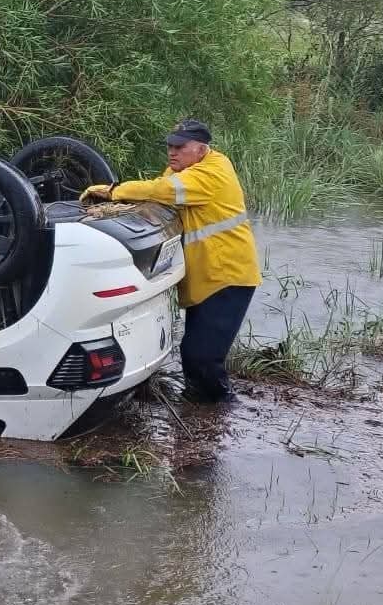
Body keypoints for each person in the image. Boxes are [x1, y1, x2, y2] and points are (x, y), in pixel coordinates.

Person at [81, 118, 260, 403]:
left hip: (228, 277)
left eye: (180, 146)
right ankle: (198, 403)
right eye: (169, 146)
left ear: (201, 149)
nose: (172, 152)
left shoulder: (211, 173)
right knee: (192, 355)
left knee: (201, 356)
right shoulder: (185, 169)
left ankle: (224, 410)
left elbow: (160, 190)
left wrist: (113, 191)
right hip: (205, 278)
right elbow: (157, 196)